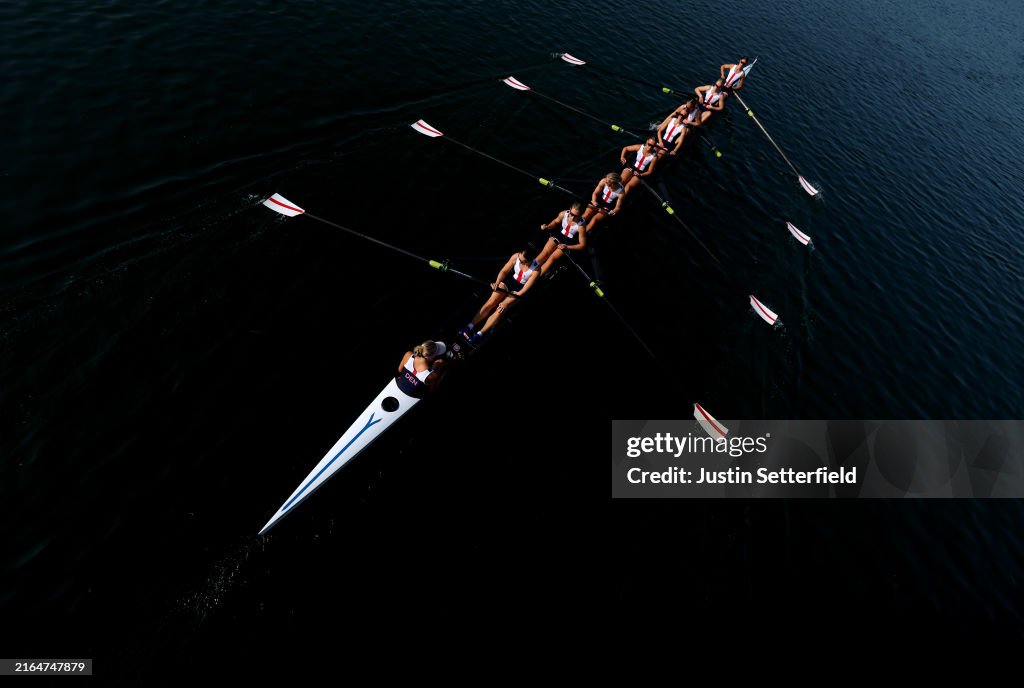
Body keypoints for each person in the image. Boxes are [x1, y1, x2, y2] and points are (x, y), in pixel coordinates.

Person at [459, 244, 542, 345]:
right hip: (510, 282)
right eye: (520, 259)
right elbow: (504, 271)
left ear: (530, 259)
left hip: (518, 290)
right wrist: (497, 283)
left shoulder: (537, 269)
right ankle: (469, 326)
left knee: (500, 309)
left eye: (523, 261)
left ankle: (479, 334)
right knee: (491, 301)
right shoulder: (516, 256)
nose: (520, 262)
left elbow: (524, 290)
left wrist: (509, 301)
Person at [536, 201, 588, 274]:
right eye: (572, 214)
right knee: (544, 254)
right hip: (559, 236)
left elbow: (582, 245)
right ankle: (530, 270)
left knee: (552, 258)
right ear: (570, 209)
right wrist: (547, 226)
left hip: (568, 244)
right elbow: (556, 222)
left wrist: (566, 247)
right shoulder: (563, 213)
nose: (572, 218)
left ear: (580, 215)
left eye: (576, 216)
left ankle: (535, 277)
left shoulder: (581, 227)